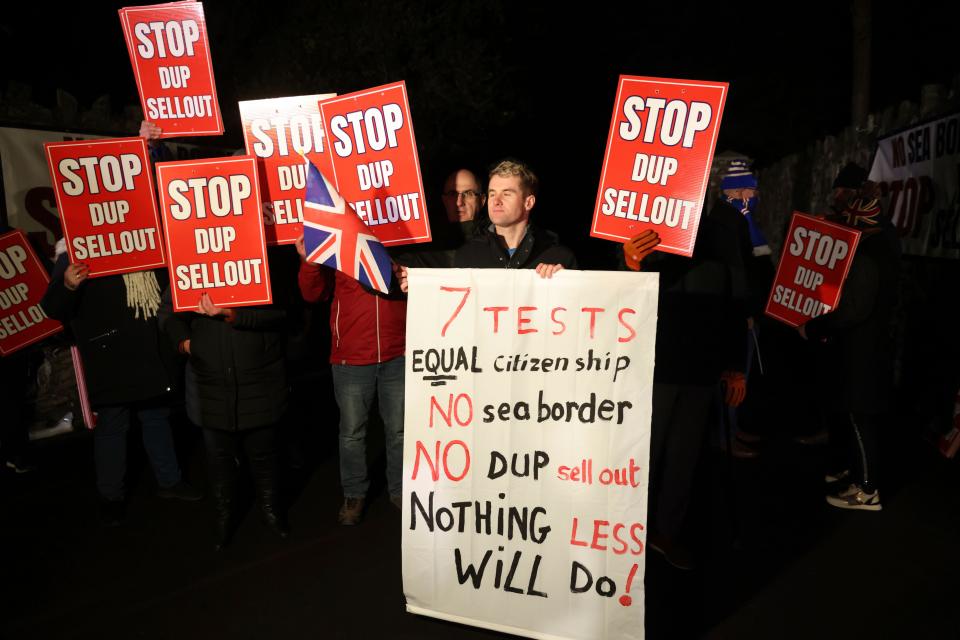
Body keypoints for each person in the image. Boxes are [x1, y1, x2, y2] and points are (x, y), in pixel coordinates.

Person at [41, 242, 200, 526]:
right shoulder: (73, 249)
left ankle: (170, 481)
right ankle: (111, 497)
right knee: (113, 424)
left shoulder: (147, 238)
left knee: (156, 415)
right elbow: (52, 307)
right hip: (110, 356)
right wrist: (68, 284)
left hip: (149, 350)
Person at [160, 284, 292, 549]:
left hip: (258, 377)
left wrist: (236, 315)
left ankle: (271, 513)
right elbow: (168, 313)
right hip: (210, 381)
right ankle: (224, 519)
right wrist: (186, 344)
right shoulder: (188, 261)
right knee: (219, 461)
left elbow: (284, 311)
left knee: (264, 455)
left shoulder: (262, 258)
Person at [800, 190, 901, 511]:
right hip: (868, 349)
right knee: (857, 417)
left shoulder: (868, 257)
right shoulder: (884, 249)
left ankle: (867, 490)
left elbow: (853, 309)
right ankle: (857, 474)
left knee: (860, 419)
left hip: (862, 352)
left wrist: (814, 327)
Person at [296, 236, 407, 526]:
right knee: (352, 433)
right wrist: (309, 260)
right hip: (351, 357)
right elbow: (312, 294)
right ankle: (354, 494)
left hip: (398, 353)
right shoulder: (338, 239)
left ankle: (399, 489)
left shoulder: (401, 236)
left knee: (399, 430)